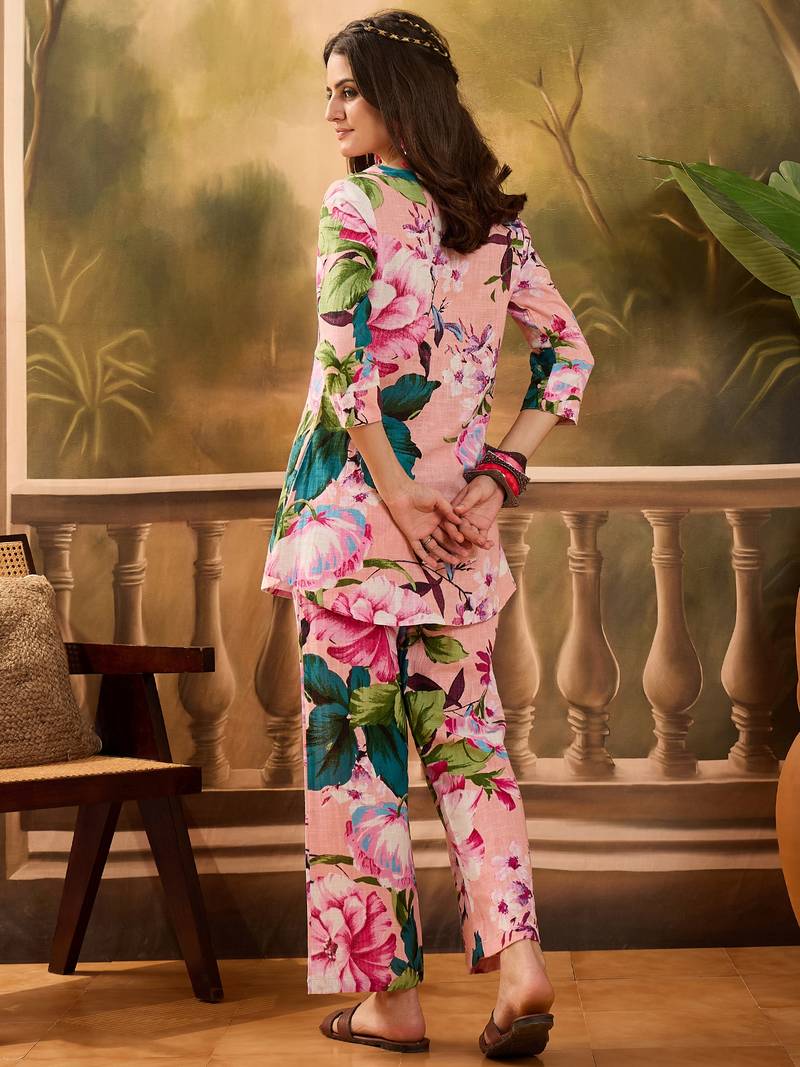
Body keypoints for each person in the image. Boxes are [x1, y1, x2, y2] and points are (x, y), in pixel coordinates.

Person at [261, 8, 595, 1058]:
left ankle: (390, 1004)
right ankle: (522, 965)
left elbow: (344, 373)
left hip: (357, 531)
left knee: (358, 763)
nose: (332, 111)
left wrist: (399, 494)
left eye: (348, 91)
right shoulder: (495, 226)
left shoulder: (353, 203)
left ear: (397, 97)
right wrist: (495, 477)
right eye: (328, 92)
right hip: (456, 538)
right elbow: (569, 356)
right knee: (470, 754)